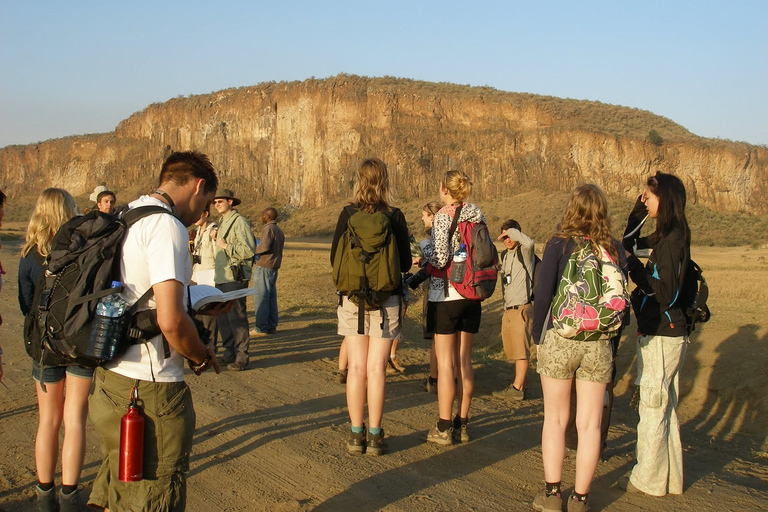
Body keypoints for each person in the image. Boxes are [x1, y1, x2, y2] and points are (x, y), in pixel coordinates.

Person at [88, 151, 222, 511]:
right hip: (148, 391)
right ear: (198, 187)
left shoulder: (126, 214)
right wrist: (199, 355)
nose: (202, 213)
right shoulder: (167, 227)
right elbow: (170, 320)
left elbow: (136, 289)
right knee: (153, 494)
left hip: (110, 378)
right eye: (206, 202)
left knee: (116, 486)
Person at [531, 184, 627, 512]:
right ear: (603, 211)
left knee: (556, 419)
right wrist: (610, 342)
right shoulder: (614, 248)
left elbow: (542, 295)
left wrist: (537, 336)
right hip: (599, 344)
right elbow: (619, 303)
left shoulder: (559, 243)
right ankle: (581, 499)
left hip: (560, 339)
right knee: (590, 425)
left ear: (572, 208)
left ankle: (552, 494)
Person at [330, 157, 411, 455]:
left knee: (356, 368)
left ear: (358, 180)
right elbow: (403, 263)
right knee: (377, 368)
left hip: (352, 299)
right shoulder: (395, 215)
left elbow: (334, 260)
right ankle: (375, 436)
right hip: (386, 299)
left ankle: (355, 435)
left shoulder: (347, 214)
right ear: (384, 181)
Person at [618, 171, 691, 497]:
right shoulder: (667, 235)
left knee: (652, 405)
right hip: (665, 331)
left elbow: (665, 293)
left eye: (649, 196)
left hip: (663, 332)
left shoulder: (672, 241)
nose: (644, 200)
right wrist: (639, 207)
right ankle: (670, 478)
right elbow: (629, 241)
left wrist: (634, 267)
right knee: (664, 405)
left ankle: (647, 479)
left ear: (667, 198)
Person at [18, 188, 91, 511]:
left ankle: (44, 495)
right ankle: (70, 495)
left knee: (48, 420)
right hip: (77, 344)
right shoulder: (85, 250)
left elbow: (25, 303)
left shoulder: (30, 255)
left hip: (45, 346)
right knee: (74, 419)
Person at [420, 170, 486, 445]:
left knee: (445, 363)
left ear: (444, 188)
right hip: (473, 293)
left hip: (447, 295)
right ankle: (463, 423)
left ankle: (444, 427)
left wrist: (424, 250)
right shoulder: (477, 213)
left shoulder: (444, 215)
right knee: (464, 361)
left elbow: (440, 256)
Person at [212, 189, 256, 371]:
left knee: (237, 317)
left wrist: (226, 246)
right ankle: (229, 353)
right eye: (214, 202)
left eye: (220, 201)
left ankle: (241, 357)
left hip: (234, 277)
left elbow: (249, 250)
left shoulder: (239, 222)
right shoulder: (222, 223)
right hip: (222, 277)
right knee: (223, 318)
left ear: (230, 202)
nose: (216, 204)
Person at [493, 219, 535, 401]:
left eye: (509, 235)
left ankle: (518, 389)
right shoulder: (505, 255)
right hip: (508, 308)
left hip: (522, 307)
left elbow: (530, 242)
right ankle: (518, 384)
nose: (507, 239)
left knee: (521, 350)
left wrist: (512, 232)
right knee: (513, 350)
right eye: (504, 236)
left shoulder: (524, 252)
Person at [415, 201, 442, 393]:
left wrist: (424, 252)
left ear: (432, 216)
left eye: (424, 215)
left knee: (436, 337)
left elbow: (437, 261)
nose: (422, 218)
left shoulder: (431, 239)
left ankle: (434, 378)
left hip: (436, 290)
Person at [252, 207, 285, 335]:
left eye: (263, 215)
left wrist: (252, 248)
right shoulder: (279, 230)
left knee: (261, 297)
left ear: (268, 217)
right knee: (270, 297)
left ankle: (260, 328)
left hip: (264, 266)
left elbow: (264, 246)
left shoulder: (268, 229)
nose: (262, 217)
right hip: (273, 267)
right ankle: (271, 326)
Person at [191, 206, 219, 348]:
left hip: (209, 277)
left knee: (209, 316)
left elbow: (217, 254)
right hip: (197, 276)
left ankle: (211, 345)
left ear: (206, 213)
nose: (195, 217)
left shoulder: (213, 230)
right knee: (198, 314)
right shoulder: (197, 232)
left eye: (198, 214)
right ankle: (200, 343)